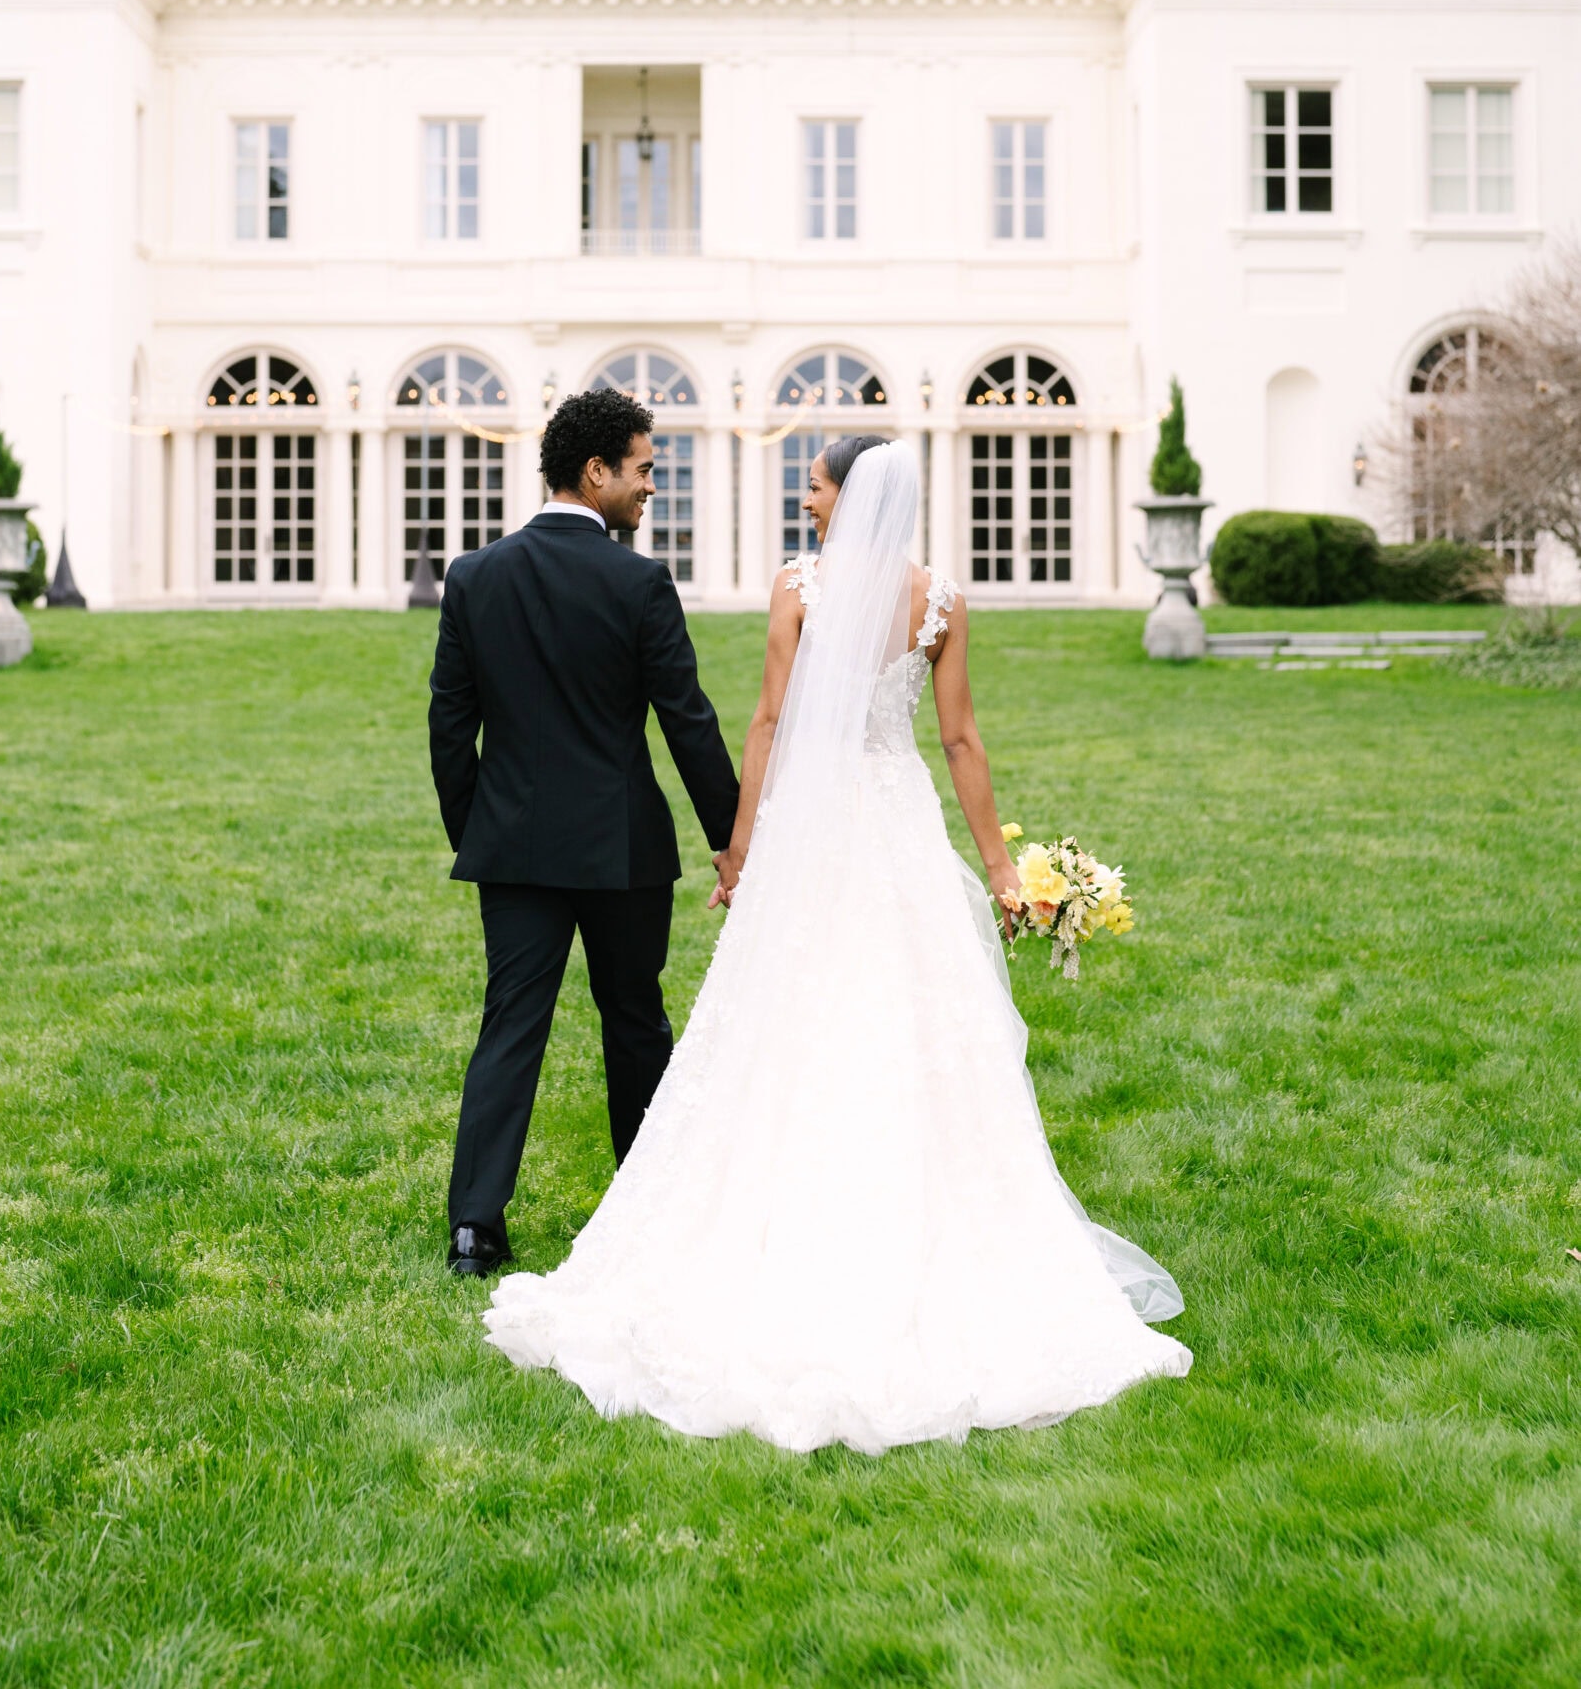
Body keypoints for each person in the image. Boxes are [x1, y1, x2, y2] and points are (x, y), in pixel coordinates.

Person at [481, 435, 1191, 1451]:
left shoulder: (799, 586)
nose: (803, 498)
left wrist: (740, 853)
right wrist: (998, 870)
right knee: (912, 1017)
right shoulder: (937, 599)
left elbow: (768, 720)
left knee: (790, 1015)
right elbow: (960, 742)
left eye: (813, 483)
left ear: (846, 494)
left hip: (818, 832)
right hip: (897, 824)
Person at [429, 387, 740, 1278]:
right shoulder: (638, 581)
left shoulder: (475, 576)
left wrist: (480, 831)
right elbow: (687, 720)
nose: (651, 488)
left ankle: (474, 1228)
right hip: (622, 848)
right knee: (634, 1021)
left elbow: (450, 727)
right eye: (642, 471)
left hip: (514, 849)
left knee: (510, 1027)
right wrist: (730, 842)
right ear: (595, 471)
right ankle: (647, 1208)